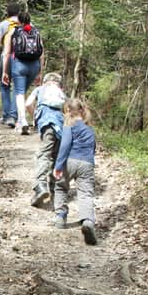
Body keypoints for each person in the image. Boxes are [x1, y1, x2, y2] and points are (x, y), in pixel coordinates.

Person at [52, 98, 98, 245]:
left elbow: (65, 146)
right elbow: (93, 147)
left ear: (68, 111)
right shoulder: (89, 127)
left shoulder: (69, 125)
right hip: (87, 163)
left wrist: (58, 166)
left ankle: (60, 216)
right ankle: (88, 221)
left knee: (61, 186)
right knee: (85, 193)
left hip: (70, 160)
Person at [26, 72, 66, 207]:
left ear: (45, 81)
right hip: (61, 127)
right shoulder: (61, 94)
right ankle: (55, 189)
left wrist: (35, 116)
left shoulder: (39, 89)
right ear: (59, 83)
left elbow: (28, 104)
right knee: (56, 157)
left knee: (43, 155)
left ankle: (40, 186)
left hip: (47, 124)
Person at [2, 11, 44, 135]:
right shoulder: (36, 31)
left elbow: (7, 53)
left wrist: (5, 71)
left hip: (19, 65)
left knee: (19, 92)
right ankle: (25, 120)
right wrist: (39, 72)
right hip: (34, 65)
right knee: (23, 91)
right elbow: (42, 54)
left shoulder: (13, 31)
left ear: (19, 21)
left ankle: (23, 120)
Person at [0, 2, 21, 127]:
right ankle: (14, 117)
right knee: (18, 88)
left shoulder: (3, 24)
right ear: (19, 13)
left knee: (5, 86)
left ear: (7, 13)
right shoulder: (25, 23)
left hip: (6, 57)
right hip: (21, 59)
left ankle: (6, 115)